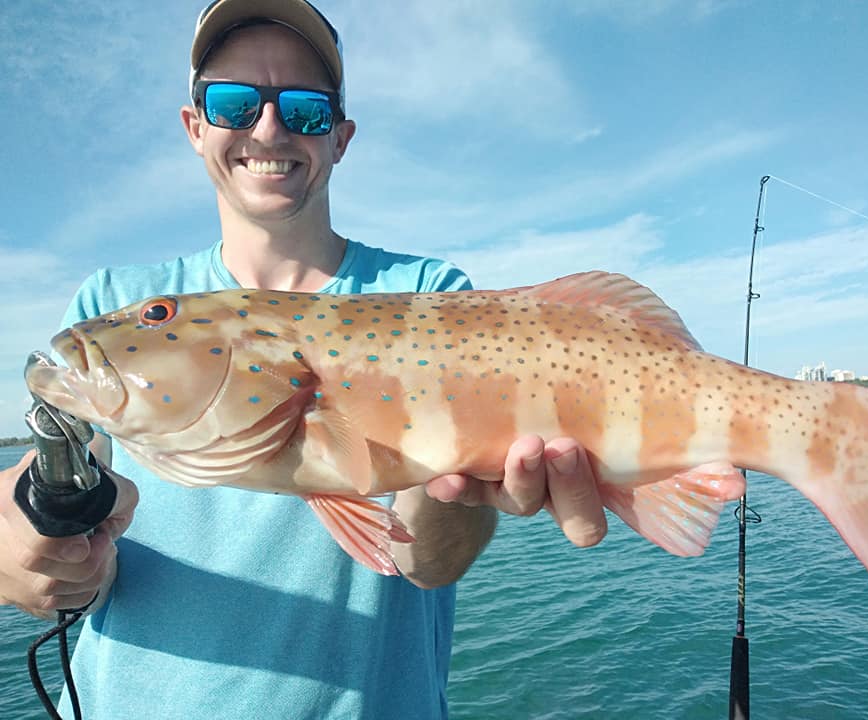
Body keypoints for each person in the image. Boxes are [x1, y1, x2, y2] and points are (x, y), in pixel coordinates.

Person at [0, 2, 607, 718]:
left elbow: (428, 563)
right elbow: (48, 487)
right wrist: (29, 550)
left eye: (305, 110)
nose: (267, 129)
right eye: (232, 102)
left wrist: (457, 489)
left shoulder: (430, 295)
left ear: (341, 139)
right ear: (195, 127)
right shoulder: (113, 300)